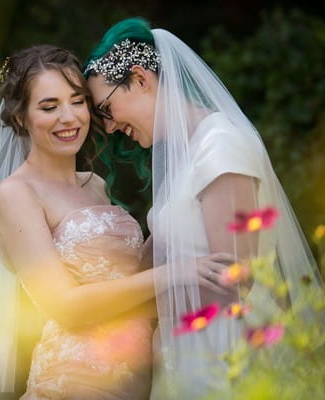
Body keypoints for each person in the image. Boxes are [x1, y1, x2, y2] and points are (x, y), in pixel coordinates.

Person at [0, 44, 232, 400]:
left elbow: (125, 289)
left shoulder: (97, 185)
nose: (69, 117)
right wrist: (175, 272)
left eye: (77, 101)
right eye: (49, 106)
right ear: (22, 117)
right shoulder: (15, 195)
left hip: (137, 383)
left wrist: (174, 224)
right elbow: (66, 306)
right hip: (73, 383)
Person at [83, 17, 323, 399]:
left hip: (224, 357)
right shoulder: (186, 155)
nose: (109, 128)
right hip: (189, 352)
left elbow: (236, 278)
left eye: (107, 110)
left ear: (141, 79)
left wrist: (139, 308)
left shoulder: (220, 146)